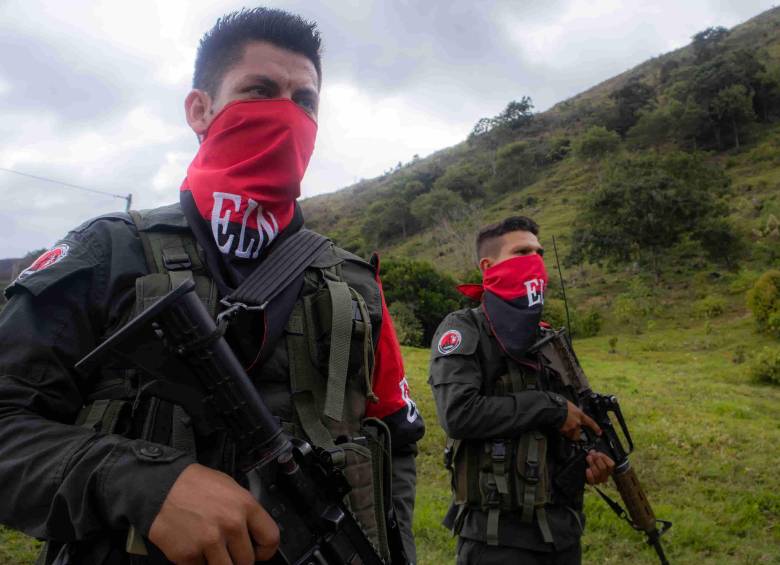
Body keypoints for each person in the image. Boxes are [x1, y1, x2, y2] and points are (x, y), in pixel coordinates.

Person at [0, 8, 424, 565]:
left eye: (304, 101)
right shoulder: (107, 253)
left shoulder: (353, 283)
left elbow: (395, 445)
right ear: (200, 110)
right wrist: (139, 482)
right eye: (259, 91)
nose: (286, 114)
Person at [428, 216, 614, 565]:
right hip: (497, 540)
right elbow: (458, 413)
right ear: (488, 266)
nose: (535, 261)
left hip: (562, 533)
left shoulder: (549, 338)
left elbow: (579, 414)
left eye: (539, 253)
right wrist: (549, 408)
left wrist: (593, 457)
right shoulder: (464, 328)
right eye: (522, 252)